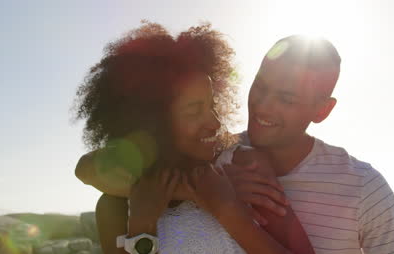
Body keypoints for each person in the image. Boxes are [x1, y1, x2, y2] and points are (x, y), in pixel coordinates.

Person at [74, 22, 314, 254]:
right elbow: (84, 168)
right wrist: (141, 228)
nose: (215, 123)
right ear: (153, 123)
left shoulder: (245, 166)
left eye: (213, 105)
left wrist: (227, 210)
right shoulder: (115, 204)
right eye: (193, 111)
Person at [227, 35, 394, 254]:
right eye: (260, 86)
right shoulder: (215, 155)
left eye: (286, 99)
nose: (263, 106)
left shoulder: (363, 186)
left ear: (322, 110)